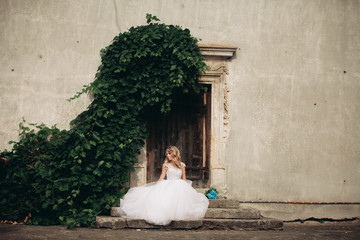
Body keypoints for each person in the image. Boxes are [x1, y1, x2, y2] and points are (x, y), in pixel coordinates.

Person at [119, 146, 209, 225]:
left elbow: (184, 178)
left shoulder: (182, 165)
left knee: (182, 195)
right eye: (167, 154)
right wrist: (157, 186)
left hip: (179, 184)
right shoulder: (166, 165)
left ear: (174, 154)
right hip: (169, 184)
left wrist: (188, 189)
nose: (167, 155)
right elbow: (162, 176)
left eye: (169, 153)